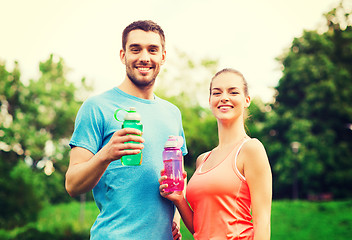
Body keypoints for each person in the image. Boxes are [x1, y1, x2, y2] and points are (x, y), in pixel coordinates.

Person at [65, 20, 187, 240]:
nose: (144, 57)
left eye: (152, 50)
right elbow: (72, 184)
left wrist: (175, 220)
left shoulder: (173, 113)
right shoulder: (96, 107)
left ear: (163, 56)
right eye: (135, 49)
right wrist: (106, 154)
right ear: (123, 55)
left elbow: (177, 177)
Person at [159, 68, 272, 239]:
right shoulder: (202, 160)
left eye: (233, 92)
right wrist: (179, 199)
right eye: (217, 93)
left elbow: (262, 223)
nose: (224, 97)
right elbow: (200, 228)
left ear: (246, 100)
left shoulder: (251, 149)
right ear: (210, 100)